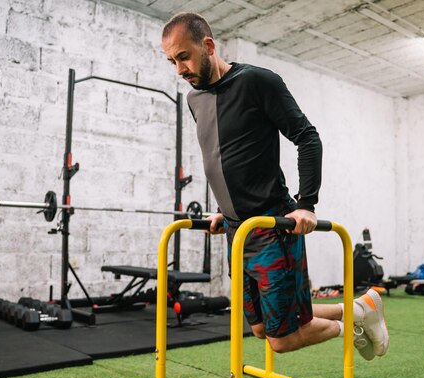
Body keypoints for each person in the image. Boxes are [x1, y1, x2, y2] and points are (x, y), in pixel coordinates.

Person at [161, 12, 389, 359]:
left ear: (207, 45)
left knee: (281, 340)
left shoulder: (257, 82)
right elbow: (224, 154)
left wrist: (306, 204)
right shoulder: (195, 99)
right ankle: (360, 309)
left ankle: (353, 326)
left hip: (271, 226)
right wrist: (225, 210)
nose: (179, 69)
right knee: (258, 328)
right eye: (171, 61)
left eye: (183, 56)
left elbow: (307, 137)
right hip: (239, 231)